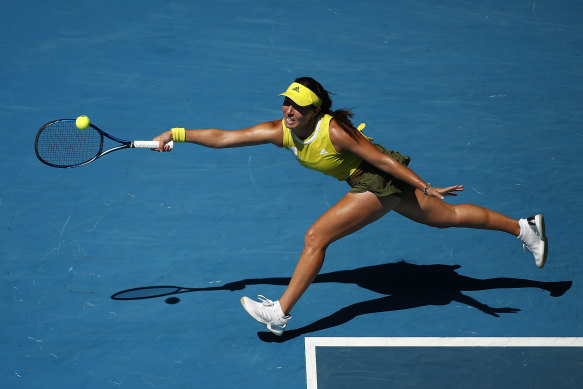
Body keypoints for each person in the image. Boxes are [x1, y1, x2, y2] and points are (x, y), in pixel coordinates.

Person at [153, 77, 548, 336]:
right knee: (446, 219)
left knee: (315, 238)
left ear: (313, 111)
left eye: (296, 106)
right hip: (373, 182)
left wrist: (425, 184)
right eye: (286, 102)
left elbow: (383, 162)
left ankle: (280, 312)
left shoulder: (336, 132)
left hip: (374, 181)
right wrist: (177, 133)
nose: (287, 110)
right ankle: (524, 227)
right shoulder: (281, 131)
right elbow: (224, 138)